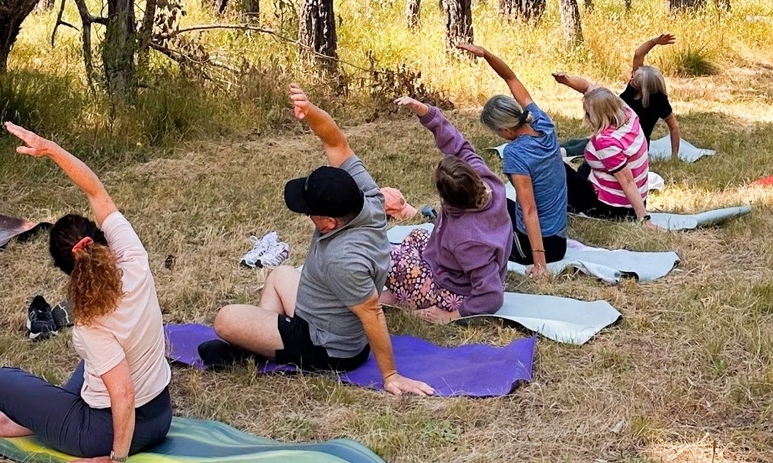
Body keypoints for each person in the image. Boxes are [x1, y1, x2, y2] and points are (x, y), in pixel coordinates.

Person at [197, 85, 435, 396]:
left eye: (310, 211)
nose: (306, 214)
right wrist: (309, 111)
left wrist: (391, 375)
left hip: (329, 348)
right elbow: (335, 141)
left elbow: (373, 314)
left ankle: (255, 350)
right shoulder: (368, 200)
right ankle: (260, 344)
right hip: (325, 314)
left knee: (225, 320)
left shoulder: (343, 258)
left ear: (329, 222)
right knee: (281, 274)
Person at [0, 123, 172, 463]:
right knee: (95, 364)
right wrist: (52, 148)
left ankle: (38, 421)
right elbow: (96, 191)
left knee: (1, 382)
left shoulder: (89, 323)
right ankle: (41, 419)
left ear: (65, 269)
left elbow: (124, 393)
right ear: (99, 238)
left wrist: (116, 459)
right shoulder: (134, 259)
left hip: (103, 432)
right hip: (160, 416)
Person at [383, 96, 511, 322]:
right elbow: (458, 145)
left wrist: (452, 315)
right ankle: (400, 294)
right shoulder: (486, 181)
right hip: (448, 266)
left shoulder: (468, 238)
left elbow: (492, 295)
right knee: (416, 236)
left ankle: (407, 294)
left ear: (449, 201)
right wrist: (425, 112)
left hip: (453, 290)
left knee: (386, 256)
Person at [457, 41, 568, 270]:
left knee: (474, 221)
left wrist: (540, 264)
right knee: (489, 200)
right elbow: (511, 79)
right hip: (559, 237)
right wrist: (486, 54)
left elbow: (529, 209)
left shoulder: (515, 153)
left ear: (505, 130)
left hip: (540, 247)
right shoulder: (542, 122)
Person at [557, 34, 683, 160]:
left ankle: (552, 155)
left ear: (644, 87)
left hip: (631, 143)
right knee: (574, 143)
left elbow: (674, 127)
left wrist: (674, 156)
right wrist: (654, 41)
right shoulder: (634, 87)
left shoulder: (658, 100)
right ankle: (551, 150)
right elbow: (638, 55)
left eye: (634, 78)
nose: (631, 77)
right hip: (614, 133)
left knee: (579, 149)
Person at [552, 74, 657, 225]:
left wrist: (644, 219)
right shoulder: (628, 112)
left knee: (556, 165)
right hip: (631, 198)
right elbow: (588, 87)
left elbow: (627, 181)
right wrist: (567, 81)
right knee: (587, 158)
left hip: (615, 209)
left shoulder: (606, 143)